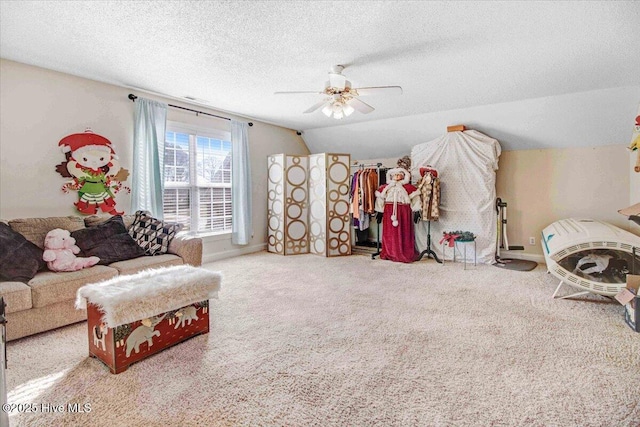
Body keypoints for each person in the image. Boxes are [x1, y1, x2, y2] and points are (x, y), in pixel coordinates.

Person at [374, 161, 421, 263]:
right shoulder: (385, 188)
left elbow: (416, 200)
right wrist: (380, 211)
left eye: (398, 174)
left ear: (403, 175)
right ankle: (390, 251)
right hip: (389, 212)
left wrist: (417, 210)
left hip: (403, 212)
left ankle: (403, 252)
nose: (396, 176)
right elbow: (380, 200)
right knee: (390, 233)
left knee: (404, 231)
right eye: (394, 174)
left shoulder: (408, 188)